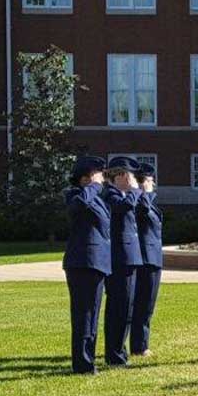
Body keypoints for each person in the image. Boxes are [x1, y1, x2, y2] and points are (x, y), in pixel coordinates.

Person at [62, 156, 111, 375]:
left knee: (92, 314)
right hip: (82, 262)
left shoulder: (97, 199)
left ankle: (88, 359)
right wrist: (92, 186)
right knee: (83, 314)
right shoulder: (75, 195)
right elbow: (80, 204)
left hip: (97, 262)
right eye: (97, 174)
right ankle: (82, 362)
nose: (102, 179)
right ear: (84, 179)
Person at [104, 156, 143, 367]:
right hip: (120, 260)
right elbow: (124, 207)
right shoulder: (110, 194)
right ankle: (114, 354)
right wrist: (136, 190)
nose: (132, 180)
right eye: (129, 176)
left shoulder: (121, 194)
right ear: (118, 176)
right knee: (119, 309)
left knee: (126, 309)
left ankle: (120, 351)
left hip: (129, 257)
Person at [131, 163, 163, 357]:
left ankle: (140, 342)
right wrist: (145, 192)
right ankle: (139, 345)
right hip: (144, 258)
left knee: (147, 304)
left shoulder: (148, 201)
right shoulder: (139, 200)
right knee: (142, 303)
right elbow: (142, 210)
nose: (153, 184)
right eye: (150, 180)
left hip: (153, 257)